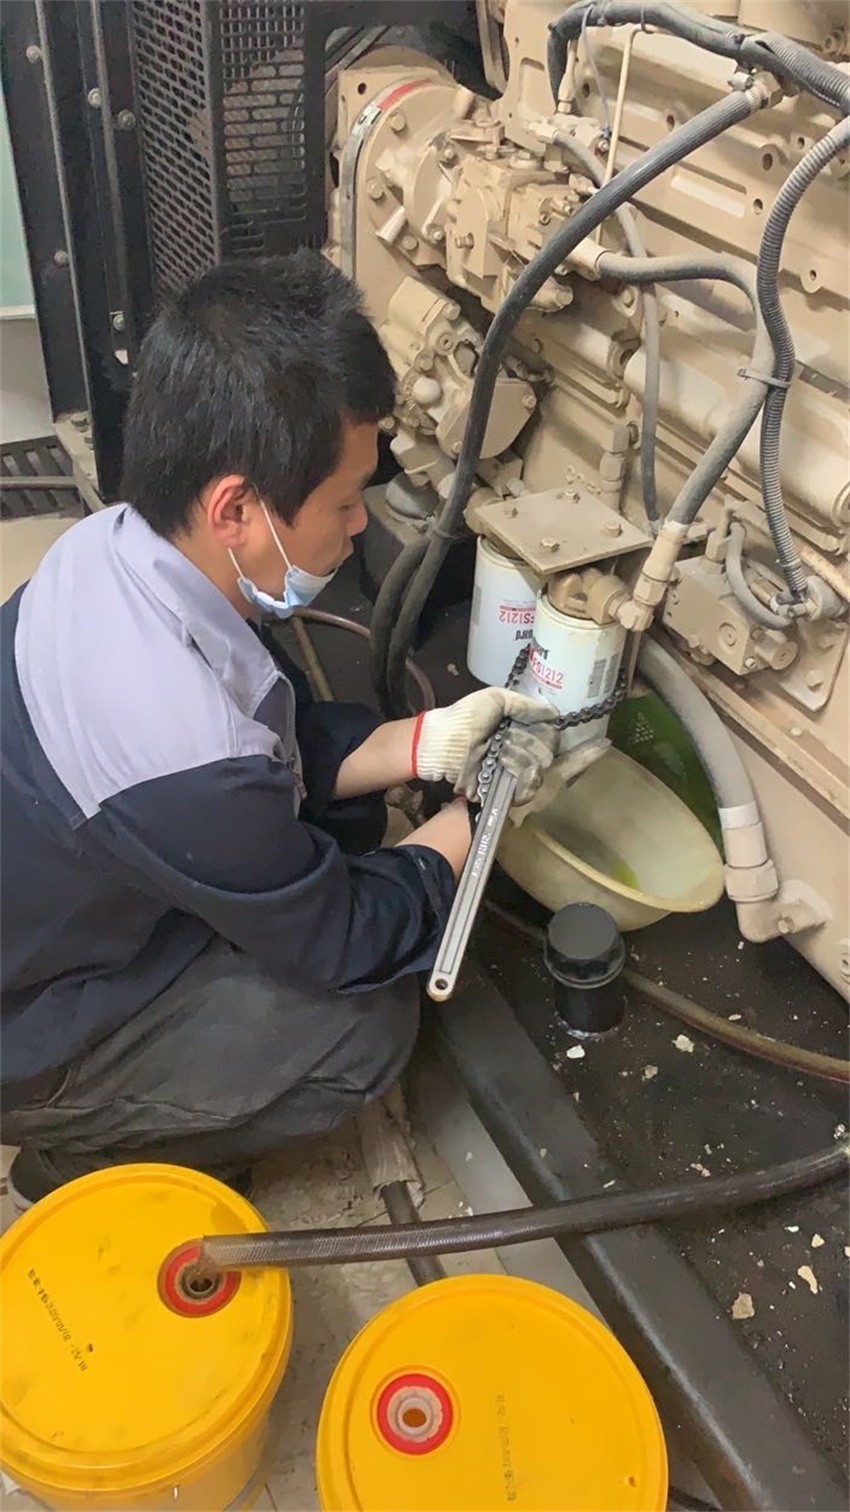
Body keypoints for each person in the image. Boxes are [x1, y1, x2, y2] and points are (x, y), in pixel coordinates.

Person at [0, 252, 557, 1206]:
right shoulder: (178, 753)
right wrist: (469, 827)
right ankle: (84, 1153)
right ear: (235, 509)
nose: (358, 526)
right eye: (343, 502)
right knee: (362, 1032)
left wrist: (422, 743)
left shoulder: (107, 551)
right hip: (30, 1031)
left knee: (336, 828)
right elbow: (342, 940)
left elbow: (261, 732)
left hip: (51, 899)